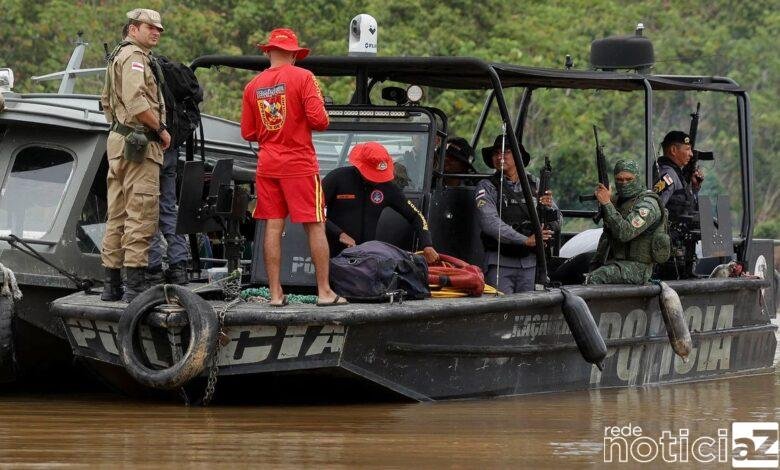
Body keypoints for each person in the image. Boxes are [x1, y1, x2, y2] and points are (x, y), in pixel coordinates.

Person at [241, 28, 345, 307]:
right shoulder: (304, 77)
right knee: (315, 225)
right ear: (295, 55)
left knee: (273, 227)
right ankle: (324, 292)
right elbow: (320, 120)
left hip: (267, 165)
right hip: (299, 164)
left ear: (268, 52)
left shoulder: (252, 86)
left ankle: (275, 295)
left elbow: (248, 132)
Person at [100, 8, 171, 302]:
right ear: (132, 28)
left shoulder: (120, 55)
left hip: (119, 139)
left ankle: (112, 284)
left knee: (117, 213)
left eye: (159, 29)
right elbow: (136, 102)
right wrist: (162, 129)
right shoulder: (135, 58)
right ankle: (135, 288)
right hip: (138, 141)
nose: (155, 32)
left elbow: (106, 103)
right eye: (149, 27)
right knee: (140, 212)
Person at [322, 142, 440, 263]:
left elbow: (416, 215)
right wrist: (339, 234)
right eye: (372, 173)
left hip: (365, 258)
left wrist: (427, 244)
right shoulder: (337, 178)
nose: (376, 180)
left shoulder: (387, 187)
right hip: (332, 255)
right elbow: (313, 209)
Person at [475, 134, 559, 294]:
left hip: (531, 265)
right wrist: (525, 240)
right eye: (495, 153)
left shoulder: (536, 185)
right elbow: (489, 223)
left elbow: (558, 222)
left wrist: (548, 210)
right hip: (499, 264)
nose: (500, 156)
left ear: (518, 157)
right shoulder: (487, 187)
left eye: (505, 152)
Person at [587, 160, 664, 285]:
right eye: (619, 179)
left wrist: (607, 204)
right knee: (574, 269)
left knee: (597, 277)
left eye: (629, 179)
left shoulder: (647, 204)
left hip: (638, 268)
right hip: (614, 261)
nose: (624, 183)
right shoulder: (617, 200)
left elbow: (625, 233)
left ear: (637, 178)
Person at [653, 130, 701, 278]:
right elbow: (655, 207)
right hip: (669, 256)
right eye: (687, 149)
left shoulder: (677, 174)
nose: (691, 154)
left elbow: (682, 204)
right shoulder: (667, 175)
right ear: (673, 150)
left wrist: (694, 188)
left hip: (681, 253)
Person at [147, 147, 189, 285]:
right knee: (169, 209)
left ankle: (153, 270)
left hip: (148, 149)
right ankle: (179, 269)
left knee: (147, 211)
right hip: (171, 150)